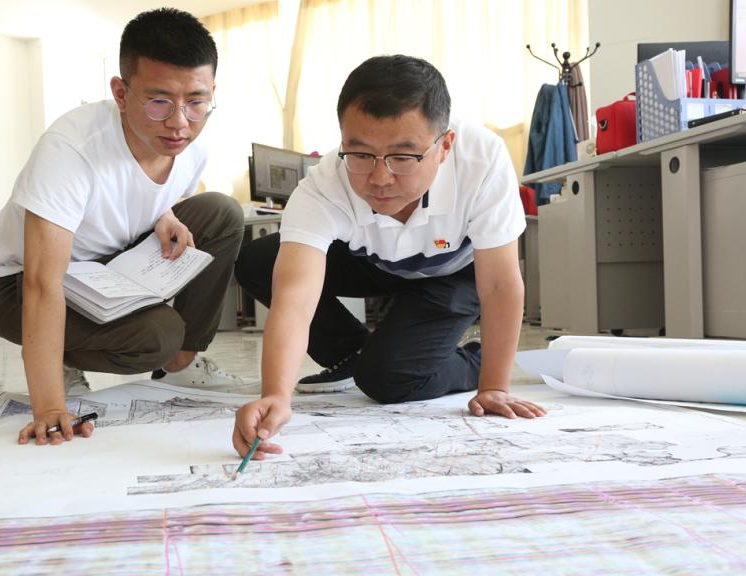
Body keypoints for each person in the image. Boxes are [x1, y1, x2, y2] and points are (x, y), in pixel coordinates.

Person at [231, 55, 546, 460]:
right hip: (377, 263)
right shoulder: (326, 184)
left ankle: (469, 358)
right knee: (260, 260)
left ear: (444, 146)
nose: (380, 178)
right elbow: (294, 295)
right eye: (361, 154)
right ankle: (354, 354)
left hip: (451, 273)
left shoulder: (481, 161)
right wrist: (276, 393)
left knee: (388, 380)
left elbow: (500, 283)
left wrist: (494, 386)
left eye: (403, 157)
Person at [0, 8, 245, 446]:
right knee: (158, 335)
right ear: (121, 93)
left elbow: (136, 190)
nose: (179, 122)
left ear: (211, 92)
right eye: (159, 101)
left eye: (196, 102)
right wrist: (49, 406)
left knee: (221, 212)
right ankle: (59, 362)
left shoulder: (192, 147)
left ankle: (182, 365)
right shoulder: (71, 149)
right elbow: (42, 283)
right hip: (17, 284)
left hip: (102, 267)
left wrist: (165, 214)